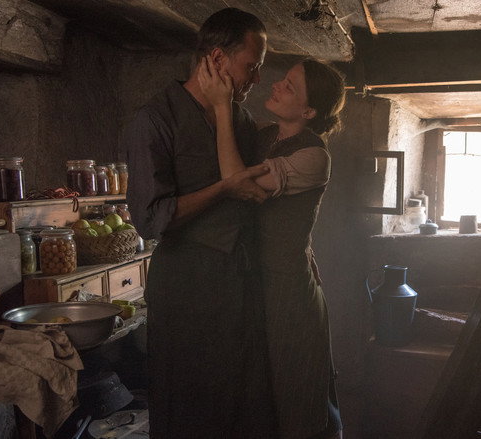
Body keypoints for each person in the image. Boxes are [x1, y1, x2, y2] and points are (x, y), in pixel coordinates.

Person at [122, 8, 277, 438]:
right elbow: (150, 219)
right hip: (186, 287)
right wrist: (223, 189)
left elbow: (255, 200)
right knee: (189, 410)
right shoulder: (155, 119)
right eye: (252, 66)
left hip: (240, 281)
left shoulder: (240, 119)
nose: (257, 78)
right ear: (217, 58)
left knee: (242, 409)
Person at [198, 55, 346, 438]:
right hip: (255, 282)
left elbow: (236, 182)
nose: (276, 85)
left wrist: (222, 106)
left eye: (289, 86)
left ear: (309, 111)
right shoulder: (265, 135)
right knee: (260, 399)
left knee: (296, 399)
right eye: (284, 79)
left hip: (288, 292)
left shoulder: (314, 156)